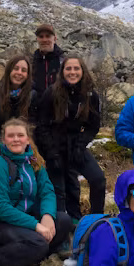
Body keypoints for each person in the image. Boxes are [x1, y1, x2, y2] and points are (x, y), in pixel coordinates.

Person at [0, 118, 71, 266]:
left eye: (20, 135)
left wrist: (47, 216)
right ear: (3, 140)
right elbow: (0, 207)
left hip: (23, 221)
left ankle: (28, 259)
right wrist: (36, 225)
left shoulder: (34, 161)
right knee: (38, 243)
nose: (16, 139)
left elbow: (47, 191)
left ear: (28, 139)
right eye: (11, 136)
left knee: (63, 221)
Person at [36, 55, 106, 223]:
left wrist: (81, 143)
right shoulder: (52, 92)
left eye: (76, 68)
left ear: (82, 71)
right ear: (62, 71)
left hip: (76, 144)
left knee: (98, 179)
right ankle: (63, 226)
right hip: (54, 144)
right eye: (68, 68)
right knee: (59, 187)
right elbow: (42, 125)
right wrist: (51, 153)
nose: (72, 72)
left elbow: (93, 125)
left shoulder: (90, 95)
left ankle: (96, 221)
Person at [0, 54, 37, 144]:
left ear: (28, 75)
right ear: (9, 70)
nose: (19, 72)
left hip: (21, 146)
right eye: (16, 68)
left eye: (24, 70)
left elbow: (34, 123)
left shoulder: (32, 96)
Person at [32, 23, 65, 98]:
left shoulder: (64, 61)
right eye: (41, 36)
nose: (44, 40)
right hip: (36, 107)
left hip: (58, 106)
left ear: (55, 39)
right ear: (37, 39)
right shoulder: (31, 61)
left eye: (48, 36)